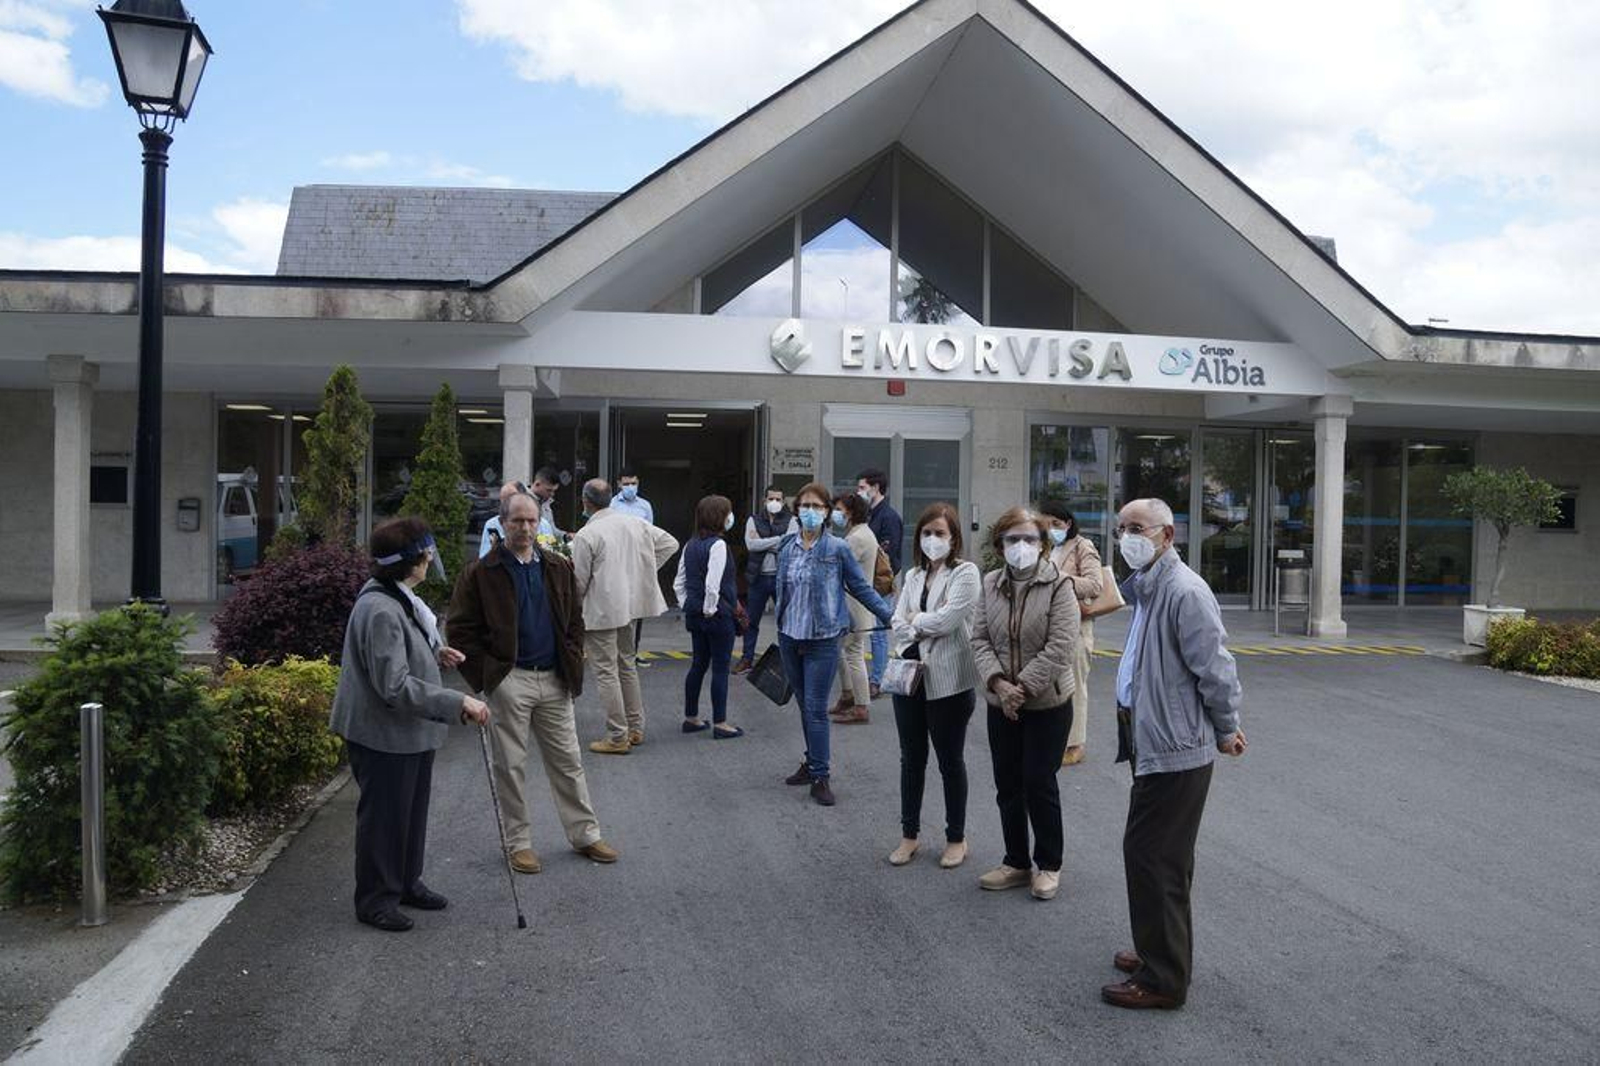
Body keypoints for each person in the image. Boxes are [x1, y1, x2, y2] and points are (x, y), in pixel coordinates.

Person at [1102, 498, 1246, 1011]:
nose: (1127, 537)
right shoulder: (1149, 588)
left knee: (1152, 856)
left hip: (1177, 747)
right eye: (1121, 528)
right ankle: (1156, 950)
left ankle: (1163, 978)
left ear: (1167, 536)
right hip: (1155, 742)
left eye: (1137, 528)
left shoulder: (1184, 591)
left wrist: (1227, 728)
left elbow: (1216, 668)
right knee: (1161, 858)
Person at [447, 489, 619, 875]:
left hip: (554, 681)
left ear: (540, 523)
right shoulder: (481, 573)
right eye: (517, 521)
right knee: (510, 766)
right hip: (511, 681)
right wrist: (489, 678)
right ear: (502, 523)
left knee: (569, 762)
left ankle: (585, 834)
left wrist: (571, 659)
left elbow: (574, 620)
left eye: (531, 520)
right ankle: (519, 844)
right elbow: (459, 631)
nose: (525, 527)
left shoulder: (557, 567)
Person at [330, 517, 489, 932]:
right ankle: (375, 901)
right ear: (409, 561)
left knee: (410, 812)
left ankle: (404, 883)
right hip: (384, 735)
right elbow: (394, 686)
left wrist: (435, 655)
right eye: (425, 552)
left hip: (408, 734)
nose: (430, 557)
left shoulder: (398, 596)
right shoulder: (381, 608)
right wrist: (458, 702)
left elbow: (406, 650)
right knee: (384, 818)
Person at [970, 506, 1079, 901]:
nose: (1021, 546)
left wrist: (1022, 688)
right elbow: (979, 639)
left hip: (1047, 703)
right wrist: (999, 684)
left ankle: (1048, 864)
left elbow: (1061, 646)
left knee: (1038, 781)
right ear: (1000, 545)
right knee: (1007, 783)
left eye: (1030, 539)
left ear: (1043, 544)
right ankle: (1015, 862)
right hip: (1001, 703)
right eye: (1013, 539)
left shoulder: (1060, 585)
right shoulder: (990, 584)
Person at [776, 482, 893, 807]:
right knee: (803, 704)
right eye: (804, 506)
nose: (810, 512)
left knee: (815, 708)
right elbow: (781, 591)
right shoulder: (787, 547)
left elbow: (861, 587)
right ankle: (811, 761)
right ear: (797, 510)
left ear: (827, 512)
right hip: (789, 637)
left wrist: (889, 616)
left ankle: (821, 776)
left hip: (823, 638)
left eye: (817, 506)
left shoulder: (837, 549)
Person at [887, 502, 981, 870]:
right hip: (910, 677)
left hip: (949, 681)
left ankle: (956, 837)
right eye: (927, 533)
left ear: (954, 537)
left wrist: (916, 620)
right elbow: (897, 619)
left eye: (940, 533)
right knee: (911, 760)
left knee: (949, 761)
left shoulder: (965, 573)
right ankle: (909, 835)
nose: (932, 540)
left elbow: (948, 620)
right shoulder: (912, 576)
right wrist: (915, 621)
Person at [569, 478, 679, 754]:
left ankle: (617, 735)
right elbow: (670, 544)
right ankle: (635, 727)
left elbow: (579, 583)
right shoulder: (634, 522)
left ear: (585, 501)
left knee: (606, 671)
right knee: (626, 665)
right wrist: (642, 572)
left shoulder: (586, 534)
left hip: (601, 610)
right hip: (629, 606)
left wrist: (570, 613)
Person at [673, 495, 744, 739]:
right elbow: (713, 584)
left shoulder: (690, 545)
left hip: (695, 614)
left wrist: (688, 605)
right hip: (717, 616)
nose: (730, 517)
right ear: (719, 517)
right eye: (728, 513)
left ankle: (691, 718)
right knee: (721, 669)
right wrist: (710, 609)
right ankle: (721, 723)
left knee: (698, 664)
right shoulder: (719, 545)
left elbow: (678, 582)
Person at [1040, 499, 1104, 766]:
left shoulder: (1081, 546)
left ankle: (1074, 743)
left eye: (1056, 524)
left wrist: (1054, 577)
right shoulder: (1042, 547)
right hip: (1047, 628)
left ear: (1067, 523)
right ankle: (1053, 739)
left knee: (1075, 686)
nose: (1051, 529)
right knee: (1052, 686)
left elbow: (1094, 584)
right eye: (1045, 525)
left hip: (1076, 627)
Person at [828, 491, 878, 725]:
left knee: (854, 654)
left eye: (839, 509)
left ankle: (861, 706)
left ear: (851, 511)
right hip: (857, 605)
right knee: (844, 652)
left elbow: (835, 569)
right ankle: (848, 695)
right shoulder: (862, 533)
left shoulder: (855, 539)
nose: (836, 513)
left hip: (853, 606)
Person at [735, 486, 795, 674]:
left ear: (784, 502)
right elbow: (751, 545)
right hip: (758, 578)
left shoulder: (791, 520)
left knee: (786, 622)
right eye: (771, 499)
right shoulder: (754, 520)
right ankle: (747, 659)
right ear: (764, 500)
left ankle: (788, 661)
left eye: (778, 499)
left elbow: (791, 543)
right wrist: (778, 540)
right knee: (751, 621)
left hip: (781, 578)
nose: (774, 503)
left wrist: (764, 543)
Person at [857, 468, 903, 700]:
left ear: (876, 488)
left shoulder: (889, 517)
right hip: (867, 582)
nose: (859, 492)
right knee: (869, 631)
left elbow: (888, 554)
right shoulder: (869, 514)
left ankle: (878, 680)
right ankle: (875, 678)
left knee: (878, 633)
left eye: (863, 487)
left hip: (880, 583)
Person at [609, 465, 656, 668]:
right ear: (619, 484)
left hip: (638, 561)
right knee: (617, 607)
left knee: (637, 609)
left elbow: (651, 534)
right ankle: (616, 652)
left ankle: (633, 651)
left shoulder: (645, 506)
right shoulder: (611, 505)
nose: (630, 487)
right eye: (626, 483)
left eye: (634, 483)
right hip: (617, 562)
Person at [478, 480, 523, 558]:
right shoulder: (492, 525)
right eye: (503, 500)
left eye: (510, 499)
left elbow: (549, 555)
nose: (506, 504)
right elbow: (484, 557)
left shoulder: (542, 525)